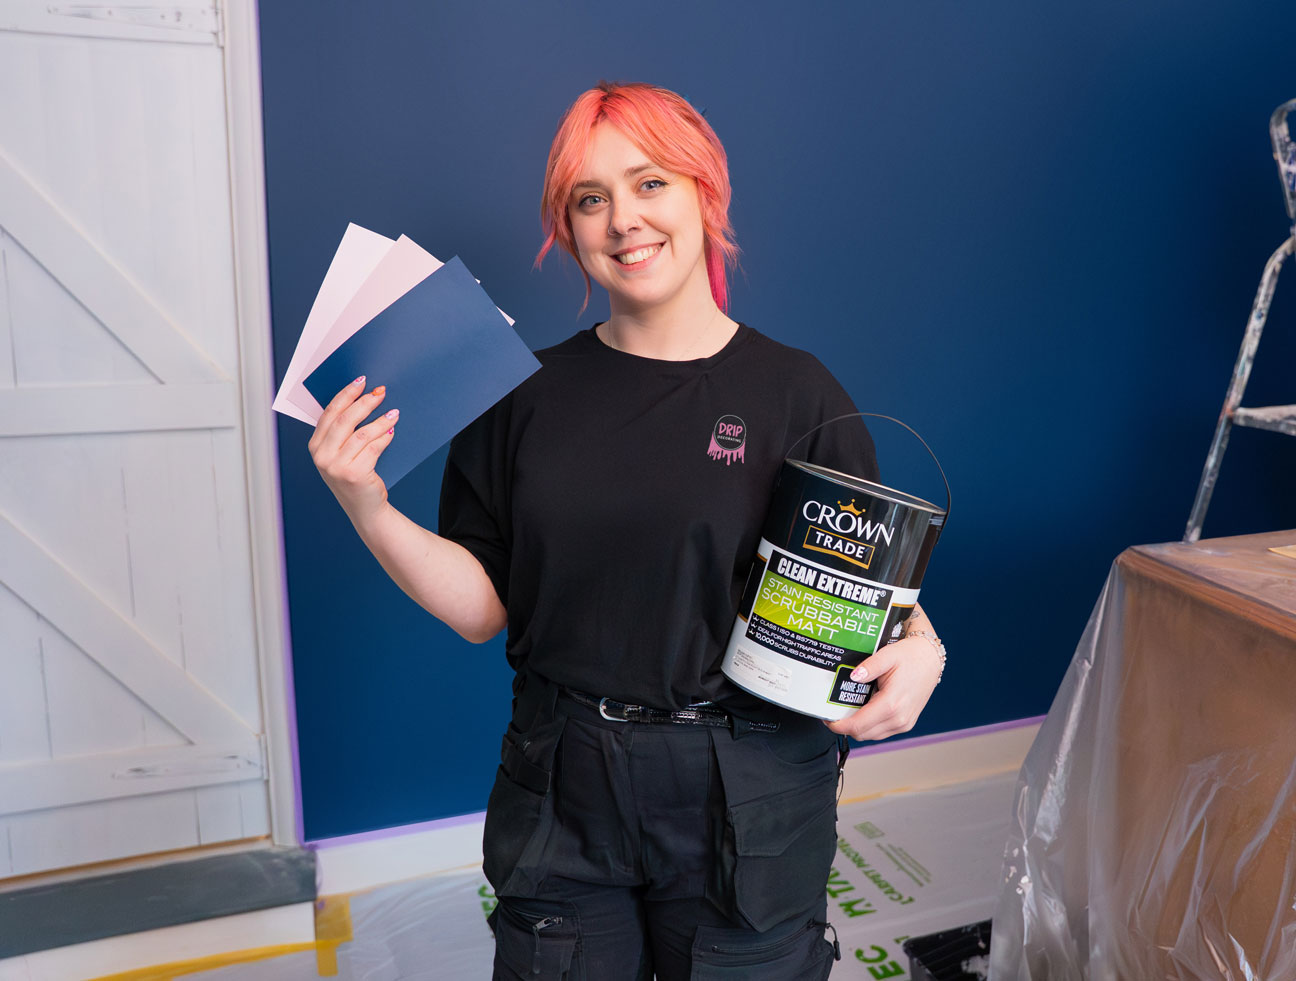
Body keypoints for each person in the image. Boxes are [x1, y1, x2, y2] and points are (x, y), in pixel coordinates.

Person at [309, 81, 945, 979]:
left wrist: (925, 648)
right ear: (567, 227)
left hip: (749, 789)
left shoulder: (798, 393)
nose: (623, 220)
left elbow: (867, 588)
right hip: (563, 785)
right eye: (590, 198)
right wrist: (366, 504)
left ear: (704, 195)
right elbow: (484, 608)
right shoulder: (521, 393)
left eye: (650, 184)